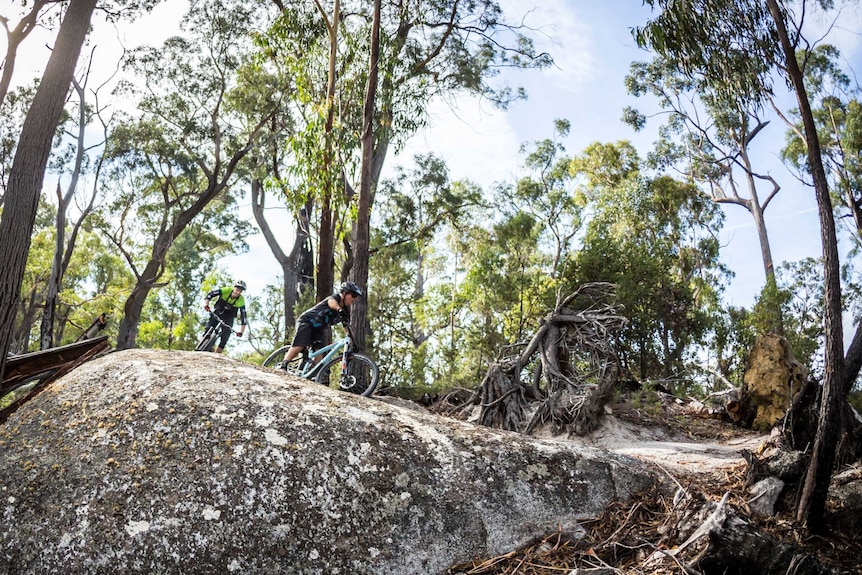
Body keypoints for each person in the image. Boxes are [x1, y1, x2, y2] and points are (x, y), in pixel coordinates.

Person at [281, 281, 363, 366]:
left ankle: (311, 373)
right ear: (344, 293)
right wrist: (338, 309)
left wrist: (353, 343)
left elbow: (347, 329)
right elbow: (331, 302)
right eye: (353, 295)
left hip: (317, 330)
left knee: (319, 352)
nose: (354, 299)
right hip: (307, 322)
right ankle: (283, 365)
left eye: (356, 296)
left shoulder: (345, 311)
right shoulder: (336, 298)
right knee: (300, 345)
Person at [202, 280, 248, 353]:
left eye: (240, 291)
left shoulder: (241, 300)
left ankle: (217, 355)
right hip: (218, 312)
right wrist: (206, 304)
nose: (238, 292)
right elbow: (211, 294)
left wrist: (241, 332)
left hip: (229, 317)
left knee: (225, 338)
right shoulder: (226, 290)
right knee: (208, 328)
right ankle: (205, 344)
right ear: (234, 288)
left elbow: (244, 317)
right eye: (237, 290)